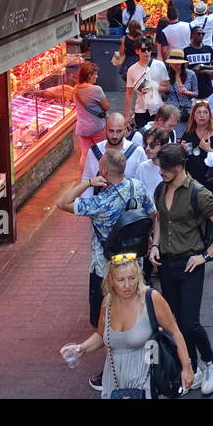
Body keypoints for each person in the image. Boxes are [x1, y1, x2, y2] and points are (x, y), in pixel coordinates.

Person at [55, 148, 156, 391]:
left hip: (107, 271)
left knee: (107, 322)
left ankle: (111, 369)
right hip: (135, 265)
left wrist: (88, 182)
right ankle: (147, 361)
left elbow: (62, 202)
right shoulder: (137, 187)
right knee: (137, 313)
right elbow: (153, 213)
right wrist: (150, 240)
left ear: (103, 171)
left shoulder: (100, 202)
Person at [149, 143, 213, 395]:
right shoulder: (161, 189)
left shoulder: (199, 193)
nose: (160, 172)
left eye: (164, 168)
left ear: (178, 167)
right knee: (177, 321)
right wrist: (154, 245)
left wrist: (206, 256)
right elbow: (162, 221)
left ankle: (209, 361)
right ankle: (193, 367)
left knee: (190, 321)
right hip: (166, 263)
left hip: (190, 263)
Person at [64, 254, 193, 398]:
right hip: (114, 381)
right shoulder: (108, 303)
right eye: (121, 280)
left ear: (138, 277)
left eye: (132, 278)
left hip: (145, 379)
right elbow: (101, 335)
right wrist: (82, 348)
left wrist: (187, 368)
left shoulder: (151, 298)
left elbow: (175, 332)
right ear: (111, 280)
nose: (127, 285)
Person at [180, 99, 213, 274]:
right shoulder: (188, 133)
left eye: (205, 112)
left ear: (210, 115)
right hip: (194, 184)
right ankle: (198, 252)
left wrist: (209, 149)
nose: (202, 116)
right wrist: (181, 149)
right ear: (193, 115)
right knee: (195, 219)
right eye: (199, 113)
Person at [82, 112, 147, 183]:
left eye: (119, 131)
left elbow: (144, 180)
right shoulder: (94, 151)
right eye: (111, 131)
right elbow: (86, 178)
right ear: (105, 129)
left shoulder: (138, 152)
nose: (114, 136)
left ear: (125, 129)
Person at [72, 61, 109, 176]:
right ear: (89, 75)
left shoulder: (75, 89)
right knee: (101, 152)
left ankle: (85, 177)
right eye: (95, 74)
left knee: (85, 153)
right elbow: (106, 106)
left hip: (82, 128)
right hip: (96, 127)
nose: (97, 76)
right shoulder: (96, 89)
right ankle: (102, 176)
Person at [125, 41, 170, 133]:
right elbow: (129, 93)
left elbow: (167, 87)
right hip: (141, 109)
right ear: (137, 51)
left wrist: (153, 87)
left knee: (159, 135)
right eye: (143, 50)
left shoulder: (160, 65)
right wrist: (127, 114)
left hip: (158, 108)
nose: (146, 52)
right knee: (142, 136)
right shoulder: (132, 69)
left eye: (149, 49)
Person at [183, 26, 213, 103]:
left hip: (208, 91)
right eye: (198, 34)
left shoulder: (208, 49)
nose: (201, 36)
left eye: (203, 34)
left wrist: (202, 66)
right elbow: (185, 73)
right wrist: (204, 71)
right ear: (192, 35)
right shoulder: (186, 51)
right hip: (192, 94)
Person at [163, 49, 198, 119]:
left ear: (182, 63)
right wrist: (163, 90)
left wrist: (187, 92)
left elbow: (196, 93)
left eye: (178, 63)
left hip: (186, 109)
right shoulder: (166, 75)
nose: (175, 66)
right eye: (173, 63)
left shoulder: (191, 74)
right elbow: (163, 98)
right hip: (172, 111)